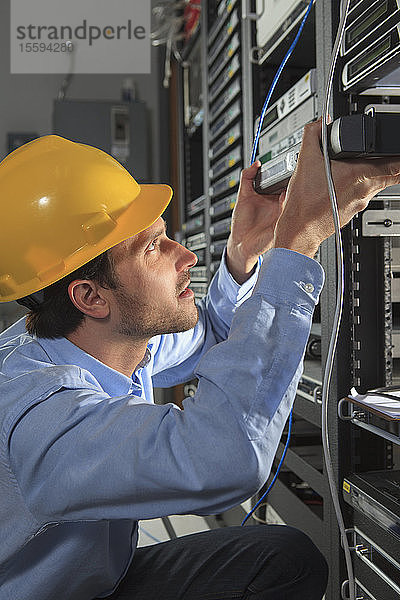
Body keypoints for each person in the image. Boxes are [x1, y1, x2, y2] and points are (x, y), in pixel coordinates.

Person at [0, 121, 399, 600]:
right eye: (153, 248)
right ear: (90, 296)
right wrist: (296, 242)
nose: (185, 256)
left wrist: (244, 252)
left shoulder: (98, 342)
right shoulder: (40, 418)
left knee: (282, 560)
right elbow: (224, 455)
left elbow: (207, 339)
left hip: (98, 579)